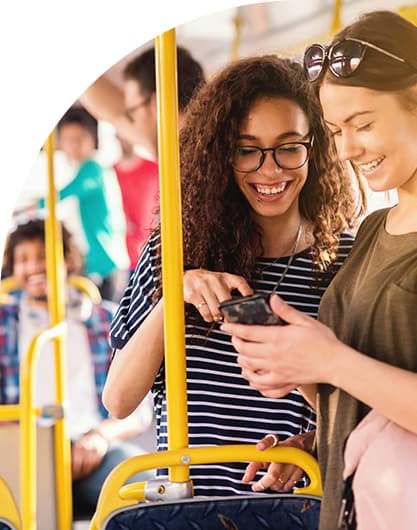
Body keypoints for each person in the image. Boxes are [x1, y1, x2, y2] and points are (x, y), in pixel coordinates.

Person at [103, 55, 363, 498]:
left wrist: (310, 435)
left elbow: (358, 413)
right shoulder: (172, 251)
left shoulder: (345, 261)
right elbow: (119, 401)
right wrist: (174, 296)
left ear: (314, 148)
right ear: (222, 155)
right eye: (247, 150)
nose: (270, 170)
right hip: (183, 505)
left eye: (289, 146)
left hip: (290, 506)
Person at [220, 10, 417, 529]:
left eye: (365, 124)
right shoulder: (376, 229)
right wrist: (306, 380)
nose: (348, 149)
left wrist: (329, 362)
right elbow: (371, 396)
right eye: (335, 131)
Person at [0, 219, 154, 516]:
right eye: (23, 259)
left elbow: (139, 412)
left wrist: (99, 437)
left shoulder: (104, 319)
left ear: (67, 260)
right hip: (21, 448)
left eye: (43, 256)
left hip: (90, 449)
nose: (33, 267)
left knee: (146, 492)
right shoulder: (4, 322)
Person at [81, 46, 205, 276]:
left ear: (157, 103)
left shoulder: (197, 159)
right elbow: (113, 113)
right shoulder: (173, 150)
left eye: (133, 111)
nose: (131, 122)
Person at [38, 106, 122, 301]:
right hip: (99, 260)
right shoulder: (84, 170)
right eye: (68, 140)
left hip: (103, 261)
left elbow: (58, 196)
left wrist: (28, 207)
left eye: (79, 139)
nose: (73, 146)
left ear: (92, 139)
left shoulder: (92, 168)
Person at [113, 135, 159, 274]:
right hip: (121, 255)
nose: (125, 139)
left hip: (150, 253)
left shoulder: (154, 169)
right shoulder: (110, 173)